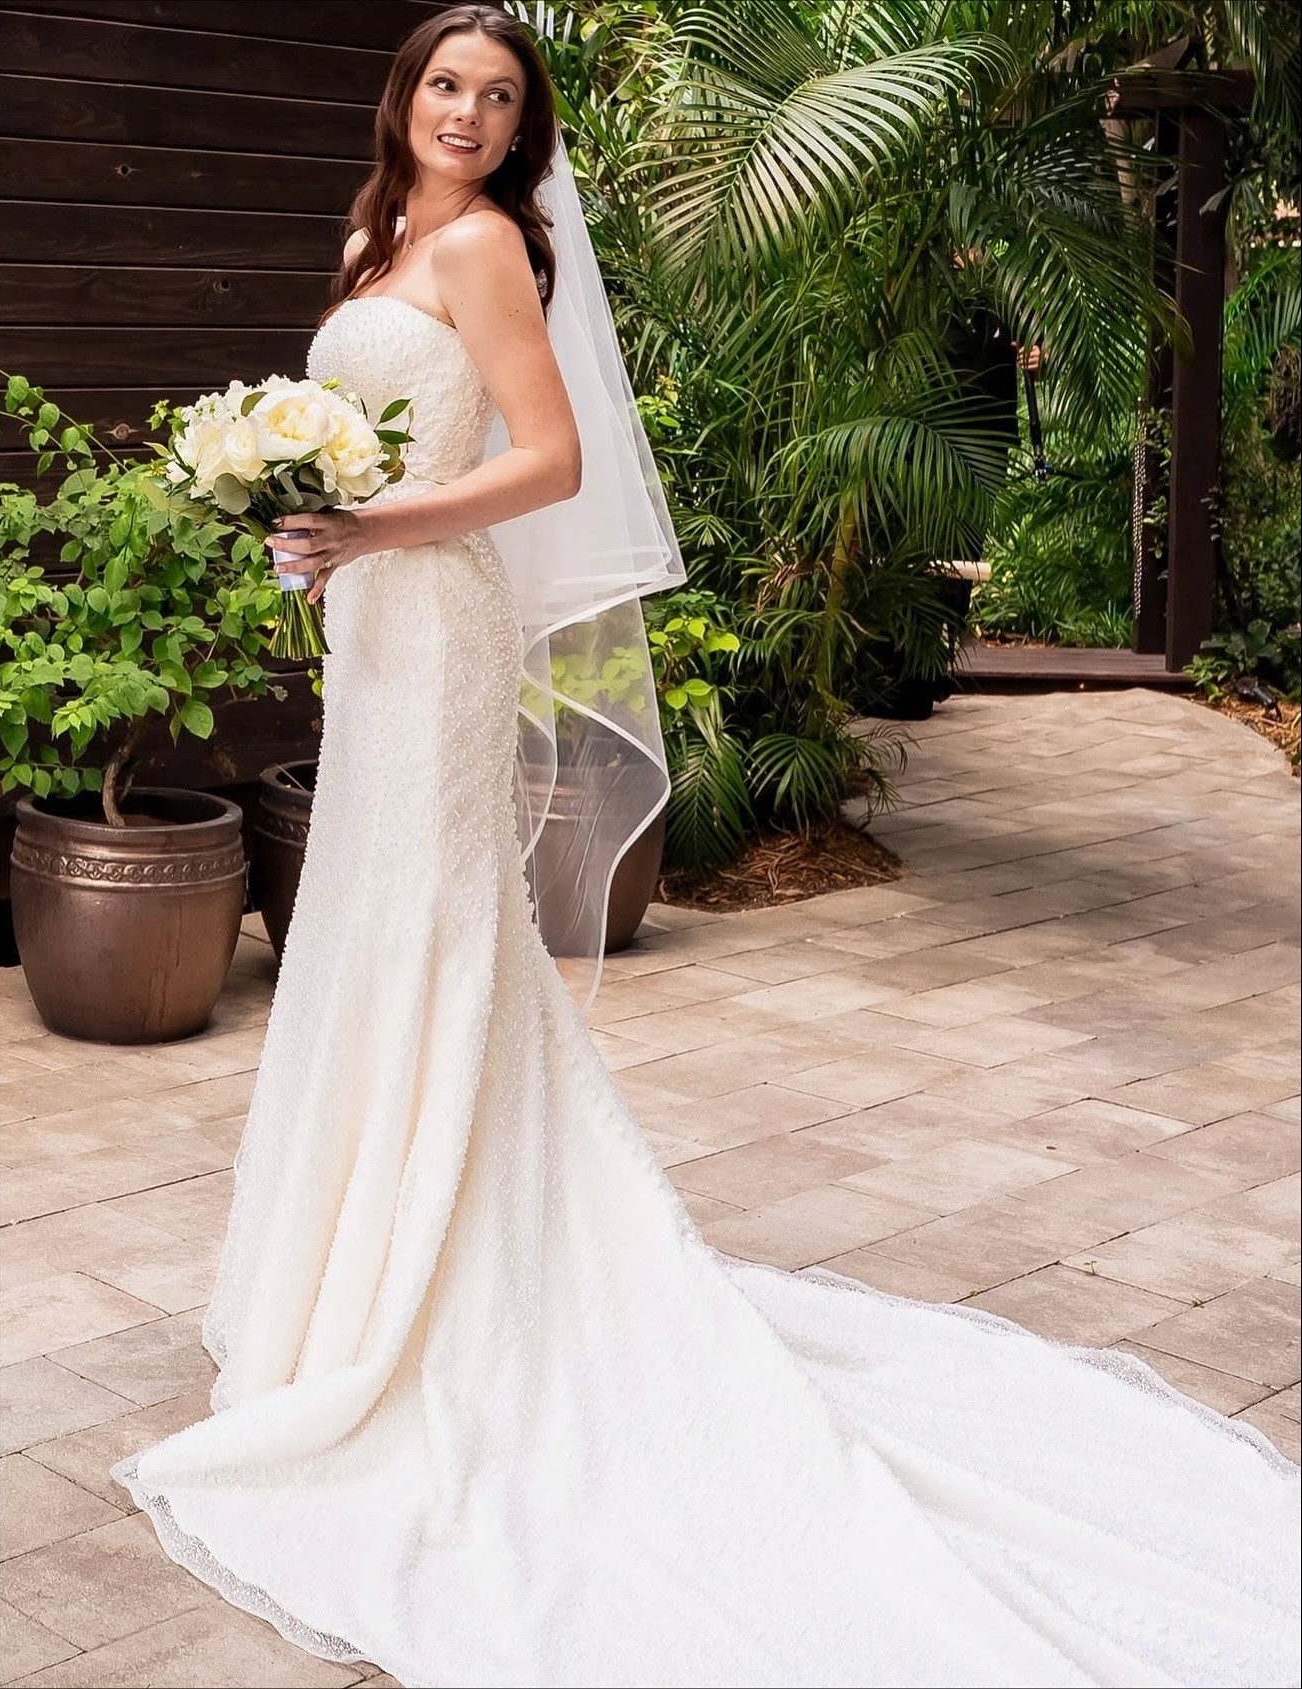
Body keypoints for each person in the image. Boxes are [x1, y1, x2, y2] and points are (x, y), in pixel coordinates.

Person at [113, 11, 1298, 1688]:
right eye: (445, 85)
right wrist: (312, 540)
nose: (465, 111)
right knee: (366, 926)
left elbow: (552, 461)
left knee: (428, 921)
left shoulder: (487, 249)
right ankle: (347, 1279)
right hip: (371, 624)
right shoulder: (374, 230)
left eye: (498, 96)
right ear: (406, 99)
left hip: (440, 627)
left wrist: (375, 524)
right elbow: (368, 444)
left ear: (522, 128)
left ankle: (445, 1282)